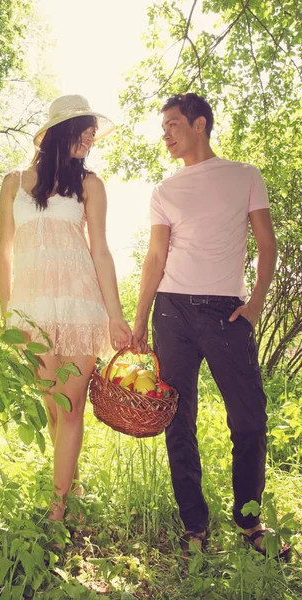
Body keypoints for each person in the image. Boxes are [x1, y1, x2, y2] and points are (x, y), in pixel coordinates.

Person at [132, 93, 288, 556]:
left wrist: (256, 303)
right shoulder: (165, 191)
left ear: (200, 124)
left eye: (174, 124)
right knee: (178, 419)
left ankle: (249, 522)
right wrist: (139, 319)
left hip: (226, 312)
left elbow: (266, 244)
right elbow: (156, 257)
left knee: (249, 417)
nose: (166, 134)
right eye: (164, 127)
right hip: (172, 310)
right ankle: (194, 526)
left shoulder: (244, 176)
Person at [0, 94, 132, 521]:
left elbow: (102, 252)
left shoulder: (90, 184)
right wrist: (7, 315)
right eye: (85, 129)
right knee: (53, 406)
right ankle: (71, 485)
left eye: (94, 131)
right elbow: (4, 252)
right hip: (30, 309)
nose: (92, 137)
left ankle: (57, 509)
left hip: (80, 303)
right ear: (60, 131)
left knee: (71, 405)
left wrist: (115, 314)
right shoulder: (14, 182)